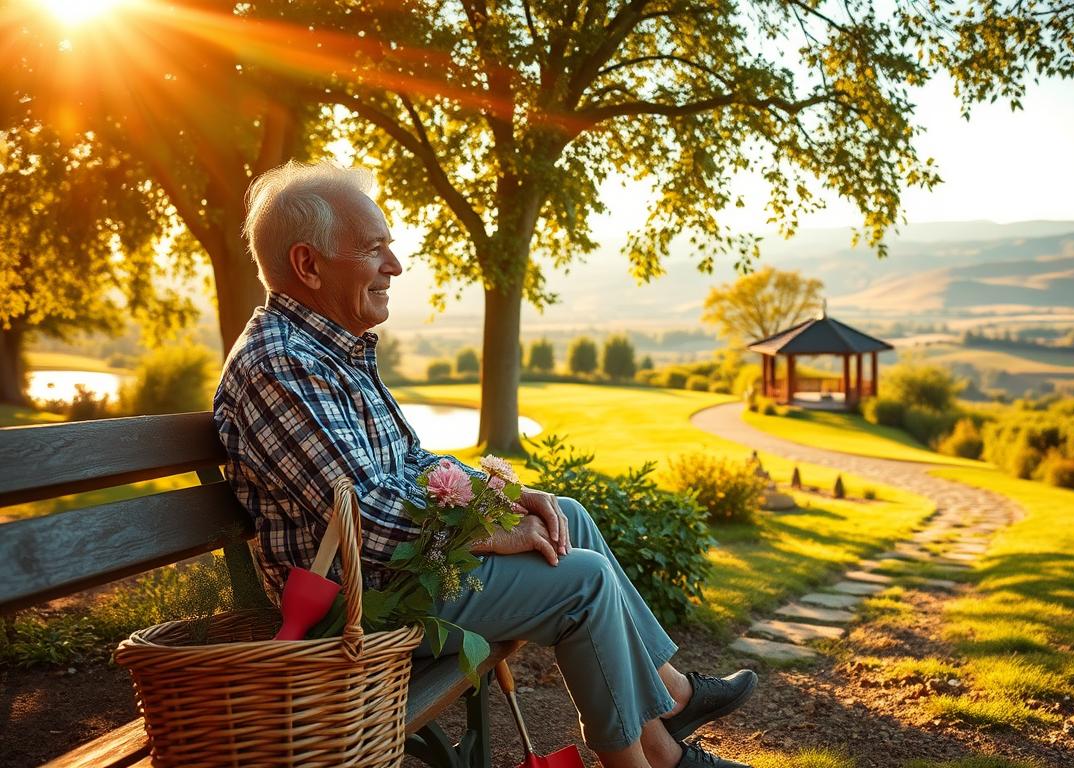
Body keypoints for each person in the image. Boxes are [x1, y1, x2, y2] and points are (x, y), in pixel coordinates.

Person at [213, 160, 756, 768]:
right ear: (308, 264)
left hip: (396, 574)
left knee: (565, 516)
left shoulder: (327, 350)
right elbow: (365, 519)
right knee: (583, 582)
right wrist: (496, 533)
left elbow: (410, 463)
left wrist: (503, 498)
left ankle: (666, 730)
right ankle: (645, 755)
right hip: (359, 603)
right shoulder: (283, 364)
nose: (394, 266)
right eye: (373, 251)